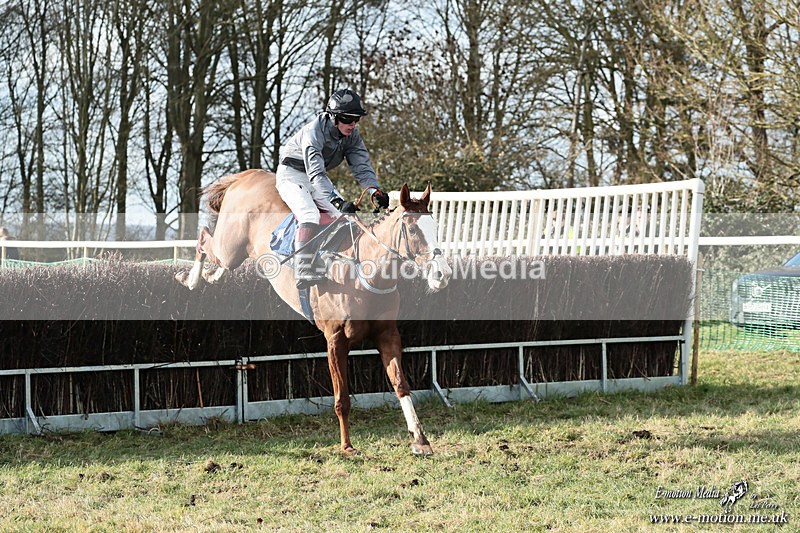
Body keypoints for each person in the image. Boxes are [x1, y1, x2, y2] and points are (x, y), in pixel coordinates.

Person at [276, 89, 390, 289]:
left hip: (316, 178)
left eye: (356, 119)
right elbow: (316, 174)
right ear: (333, 117)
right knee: (310, 214)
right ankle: (303, 269)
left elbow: (362, 167)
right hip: (292, 175)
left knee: (347, 217)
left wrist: (374, 191)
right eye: (347, 119)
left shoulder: (352, 136)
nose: (352, 124)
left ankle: (326, 261)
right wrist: (337, 201)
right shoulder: (314, 132)